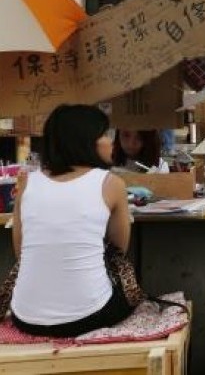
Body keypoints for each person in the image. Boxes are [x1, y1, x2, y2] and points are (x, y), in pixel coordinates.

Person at [10, 104, 133, 337]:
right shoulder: (111, 183)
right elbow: (118, 252)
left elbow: (20, 251)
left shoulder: (27, 183)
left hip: (25, 317)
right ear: (87, 140)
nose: (111, 141)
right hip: (88, 315)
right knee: (128, 295)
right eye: (105, 134)